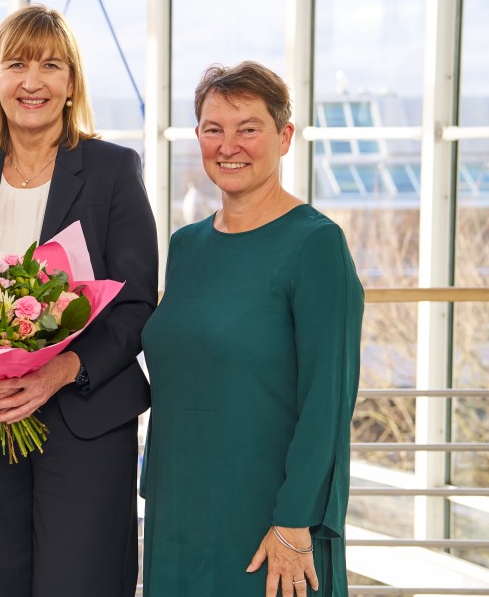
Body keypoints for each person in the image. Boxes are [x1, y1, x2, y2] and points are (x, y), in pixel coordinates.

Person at [0, 4, 158, 597]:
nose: (33, 81)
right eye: (17, 65)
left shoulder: (111, 170)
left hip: (86, 422)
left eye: (51, 65)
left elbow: (135, 306)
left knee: (81, 583)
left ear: (71, 83)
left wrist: (58, 371)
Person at [140, 61, 363, 597]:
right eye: (214, 130)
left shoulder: (316, 246)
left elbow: (327, 400)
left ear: (284, 137)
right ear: (198, 137)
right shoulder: (186, 246)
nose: (229, 145)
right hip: (179, 511)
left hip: (269, 519)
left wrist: (294, 522)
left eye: (249, 129)